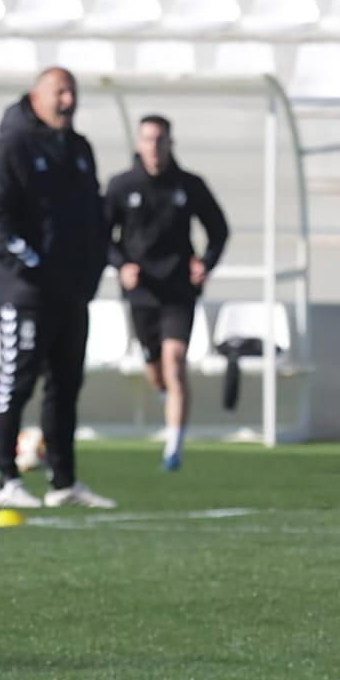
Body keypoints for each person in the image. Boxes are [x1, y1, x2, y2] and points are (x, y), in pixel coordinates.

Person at [0, 67, 116, 511]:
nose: (68, 100)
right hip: (26, 294)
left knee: (66, 387)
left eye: (72, 91)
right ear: (36, 97)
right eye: (60, 92)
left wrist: (95, 266)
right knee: (16, 382)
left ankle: (63, 482)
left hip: (72, 294)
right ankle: (7, 478)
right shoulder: (9, 148)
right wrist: (32, 263)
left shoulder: (79, 148)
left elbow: (93, 215)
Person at [104, 115, 229, 472]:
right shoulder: (122, 185)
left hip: (178, 289)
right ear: (138, 143)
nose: (154, 147)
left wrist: (205, 262)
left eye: (160, 139)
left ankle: (174, 448)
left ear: (170, 143)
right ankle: (167, 397)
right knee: (156, 371)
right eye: (148, 139)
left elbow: (218, 229)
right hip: (142, 291)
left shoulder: (188, 185)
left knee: (175, 362)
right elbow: (101, 235)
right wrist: (121, 265)